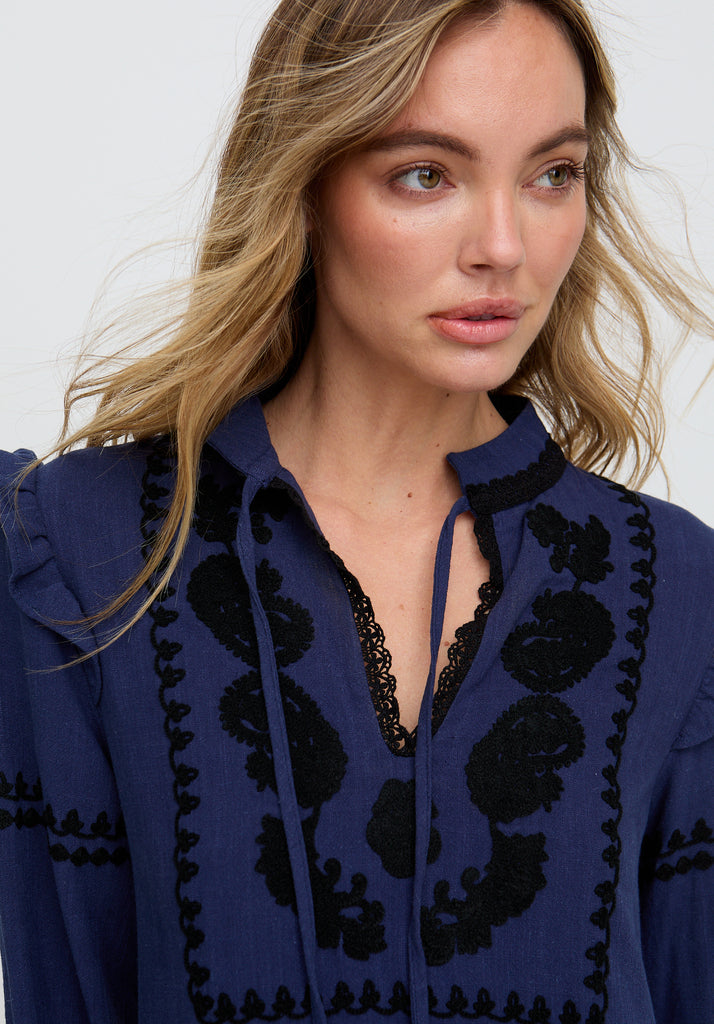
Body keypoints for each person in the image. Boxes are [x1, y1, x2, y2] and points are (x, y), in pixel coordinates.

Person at [0, 0, 712, 1022]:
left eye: (553, 173)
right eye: (426, 173)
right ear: (305, 183)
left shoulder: (678, 589)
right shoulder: (81, 548)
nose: (504, 247)